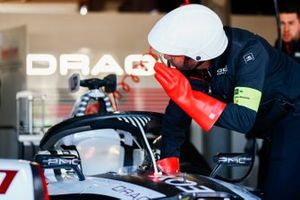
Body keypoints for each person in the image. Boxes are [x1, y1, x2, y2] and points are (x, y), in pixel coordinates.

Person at [148, 4, 300, 200]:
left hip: (293, 115)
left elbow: (242, 118)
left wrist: (190, 98)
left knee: (280, 192)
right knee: (266, 184)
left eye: (172, 52)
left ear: (197, 53)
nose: (167, 56)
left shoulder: (248, 53)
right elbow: (177, 113)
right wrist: (169, 156)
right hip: (270, 120)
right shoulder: (193, 64)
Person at [255, 0, 300, 190]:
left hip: (296, 124)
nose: (286, 29)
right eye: (282, 23)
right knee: (267, 173)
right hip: (275, 124)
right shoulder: (275, 50)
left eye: (291, 23)